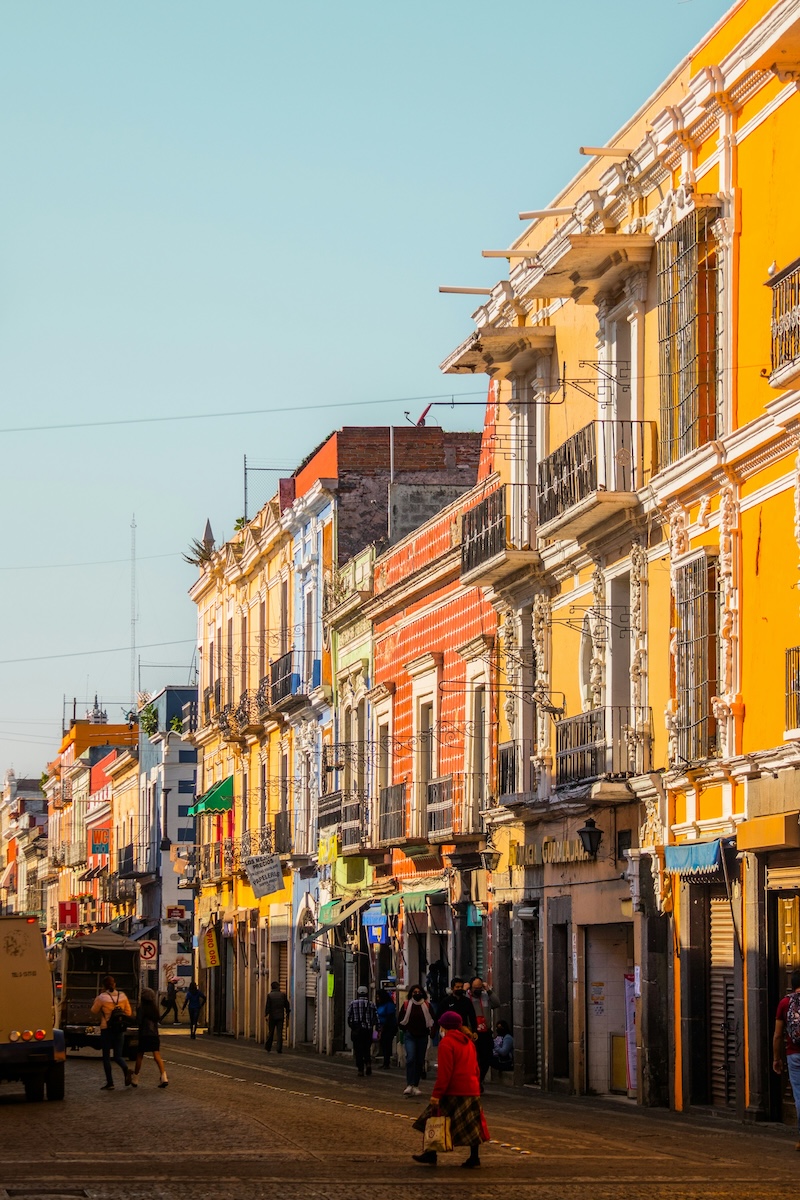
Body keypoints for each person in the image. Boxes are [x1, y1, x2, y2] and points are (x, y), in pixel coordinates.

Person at [411, 1009, 490, 1169]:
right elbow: (476, 1066)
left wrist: (436, 1094)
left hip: (454, 1089)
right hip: (471, 1088)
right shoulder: (468, 1041)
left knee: (432, 1118)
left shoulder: (447, 1043)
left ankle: (431, 1153)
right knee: (471, 1123)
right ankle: (473, 1157)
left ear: (444, 1027)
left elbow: (445, 1072)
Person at [773, 970, 800, 1149]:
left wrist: (777, 1058)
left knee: (799, 1096)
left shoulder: (785, 1002)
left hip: (794, 1054)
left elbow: (777, 1035)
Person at [91, 974, 133, 1091]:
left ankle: (110, 1083)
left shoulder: (102, 997)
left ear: (103, 986)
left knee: (106, 1057)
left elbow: (94, 1010)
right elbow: (128, 1013)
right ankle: (126, 1069)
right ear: (114, 984)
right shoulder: (123, 996)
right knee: (118, 1056)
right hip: (119, 1029)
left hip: (106, 1029)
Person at [398, 983, 435, 1097]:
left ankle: (416, 1085)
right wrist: (405, 1030)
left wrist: (431, 1032)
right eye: (414, 992)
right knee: (410, 1058)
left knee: (419, 1061)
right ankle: (409, 1084)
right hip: (410, 1036)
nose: (417, 994)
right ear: (411, 994)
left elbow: (433, 1020)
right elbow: (400, 1020)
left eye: (419, 992)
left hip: (423, 1036)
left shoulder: (427, 1006)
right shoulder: (406, 1005)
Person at [131, 987, 168, 1088]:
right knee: (157, 1056)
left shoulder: (141, 1008)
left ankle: (135, 1078)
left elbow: (138, 1021)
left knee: (139, 1056)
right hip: (154, 1035)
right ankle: (164, 1077)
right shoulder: (155, 1009)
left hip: (144, 1034)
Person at [468, 976, 500, 1088]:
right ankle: (473, 1081)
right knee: (473, 1059)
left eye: (479, 987)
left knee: (486, 1058)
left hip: (485, 1032)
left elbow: (497, 1003)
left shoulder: (485, 996)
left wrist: (488, 990)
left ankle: (479, 1080)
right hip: (473, 1033)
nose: (478, 990)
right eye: (475, 988)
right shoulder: (467, 997)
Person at [347, 985, 378, 1077]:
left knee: (358, 1050)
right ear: (367, 994)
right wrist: (377, 1030)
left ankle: (360, 1069)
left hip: (357, 1031)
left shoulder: (353, 1003)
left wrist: (352, 1027)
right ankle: (368, 1063)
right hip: (368, 1031)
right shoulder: (371, 1004)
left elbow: (349, 1017)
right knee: (366, 1049)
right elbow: (376, 1019)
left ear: (358, 993)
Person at [264, 980, 291, 1053]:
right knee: (279, 1033)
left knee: (271, 1032)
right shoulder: (283, 995)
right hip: (280, 1016)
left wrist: (266, 1015)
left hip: (272, 1017)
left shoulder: (270, 995)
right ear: (278, 987)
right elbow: (287, 1005)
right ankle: (279, 1048)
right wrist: (288, 1012)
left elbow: (268, 1006)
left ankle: (268, 1047)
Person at [376, 987, 397, 1070]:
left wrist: (383, 1027)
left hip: (388, 1028)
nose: (377, 999)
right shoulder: (380, 1005)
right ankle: (385, 1062)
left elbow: (390, 1017)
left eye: (378, 997)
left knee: (387, 1044)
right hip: (380, 1027)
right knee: (383, 1044)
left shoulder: (389, 1005)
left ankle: (386, 1062)